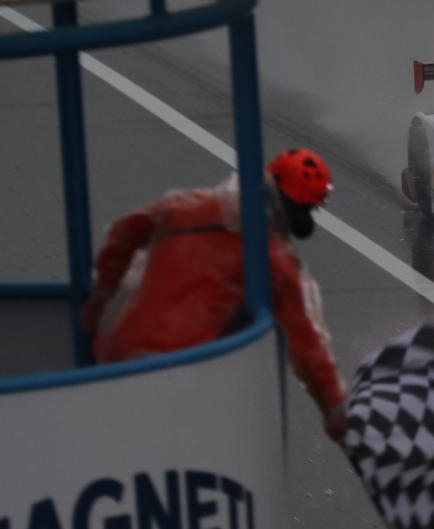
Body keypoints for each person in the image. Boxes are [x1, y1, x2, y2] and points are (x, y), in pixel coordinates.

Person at [81, 148, 348, 441]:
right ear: (297, 210)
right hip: (181, 375)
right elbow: (306, 346)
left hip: (119, 357)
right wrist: (335, 411)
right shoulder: (272, 260)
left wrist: (101, 298)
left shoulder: (187, 208)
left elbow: (125, 231)